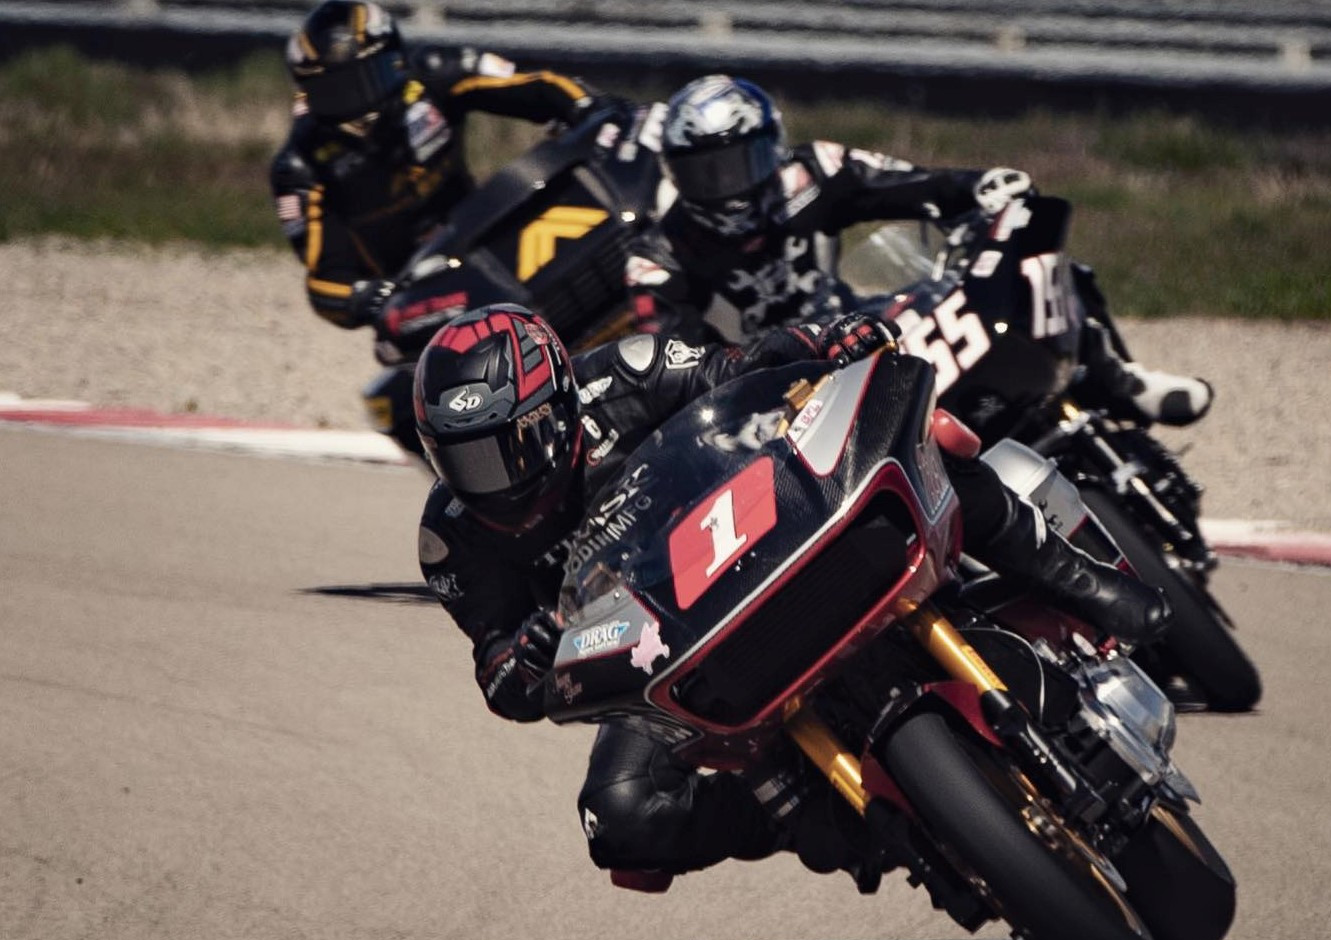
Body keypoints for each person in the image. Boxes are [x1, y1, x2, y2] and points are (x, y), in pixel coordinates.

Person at [415, 301, 1170, 888]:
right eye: (459, 460)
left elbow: (746, 367)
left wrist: (826, 338)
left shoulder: (626, 371)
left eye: (497, 449)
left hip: (759, 529)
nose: (486, 479)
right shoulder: (453, 539)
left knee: (917, 436)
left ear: (550, 411)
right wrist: (523, 656)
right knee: (620, 822)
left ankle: (1075, 577)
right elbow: (500, 675)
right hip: (660, 649)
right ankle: (797, 808)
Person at [626, 74, 1212, 427]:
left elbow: (915, 185)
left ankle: (1120, 379)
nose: (730, 186)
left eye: (742, 163)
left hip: (868, 326)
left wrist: (979, 187)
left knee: (1047, 270)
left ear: (772, 150)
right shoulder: (660, 259)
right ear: (678, 174)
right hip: (785, 393)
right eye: (709, 173)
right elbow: (674, 369)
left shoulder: (816, 172)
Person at [269, 0, 612, 347]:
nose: (357, 107)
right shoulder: (300, 166)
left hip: (485, 236)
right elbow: (325, 282)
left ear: (393, 61)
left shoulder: (433, 72)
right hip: (422, 295)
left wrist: (587, 109)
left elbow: (537, 85)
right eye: (333, 94)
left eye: (365, 82)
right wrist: (368, 298)